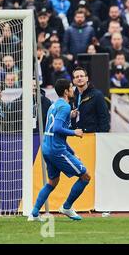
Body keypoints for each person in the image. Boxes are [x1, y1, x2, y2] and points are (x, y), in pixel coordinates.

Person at [28, 79, 89, 222]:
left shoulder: (54, 105)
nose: (73, 89)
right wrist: (75, 132)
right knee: (85, 176)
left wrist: (72, 153)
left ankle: (34, 213)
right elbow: (57, 129)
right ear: (66, 91)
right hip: (56, 150)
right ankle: (67, 207)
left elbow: (57, 133)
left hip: (47, 147)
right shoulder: (65, 107)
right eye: (71, 87)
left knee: (52, 182)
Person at [71, 67, 110, 133]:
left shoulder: (97, 95)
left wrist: (102, 136)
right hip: (76, 135)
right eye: (77, 77)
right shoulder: (72, 96)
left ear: (87, 78)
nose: (79, 78)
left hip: (93, 136)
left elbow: (104, 118)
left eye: (82, 76)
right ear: (73, 81)